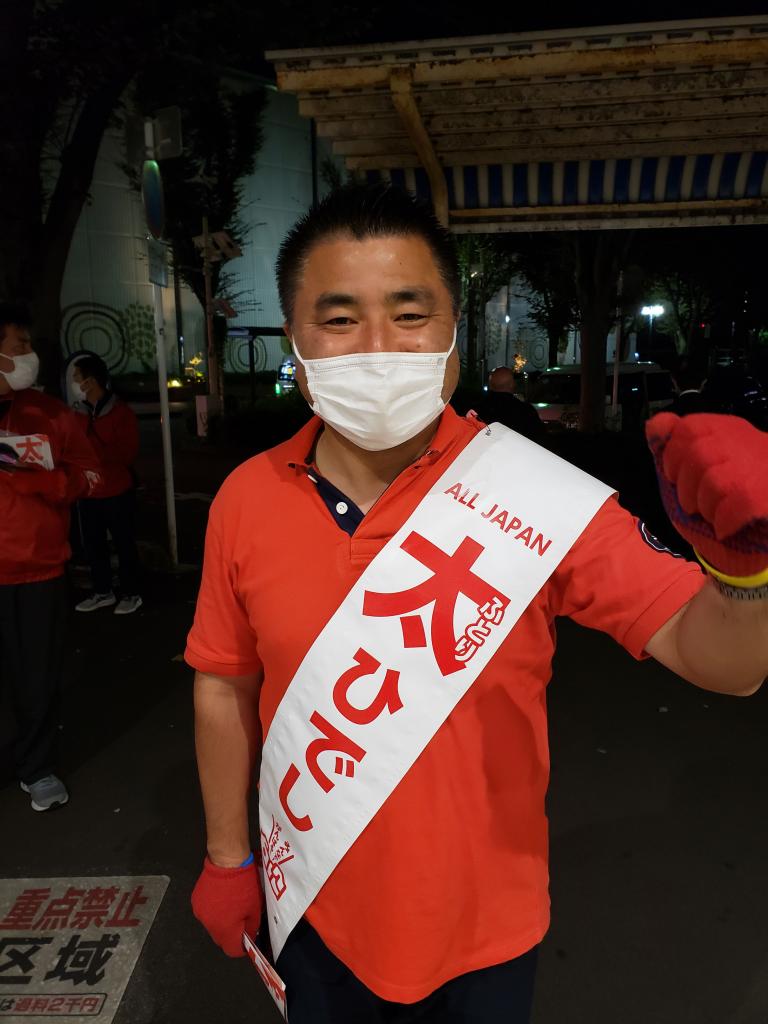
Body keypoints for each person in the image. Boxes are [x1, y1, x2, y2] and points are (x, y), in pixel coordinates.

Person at [185, 184, 767, 1024]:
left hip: (486, 935)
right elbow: (222, 681)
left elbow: (727, 665)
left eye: (410, 314)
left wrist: (744, 575)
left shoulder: (531, 498)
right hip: (311, 911)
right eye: (340, 319)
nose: (378, 348)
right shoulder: (246, 496)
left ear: (454, 337)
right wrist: (225, 857)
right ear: (296, 342)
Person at [0, 303, 101, 811]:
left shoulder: (52, 414)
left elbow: (94, 476)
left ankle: (36, 767)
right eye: (18, 346)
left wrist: (48, 481)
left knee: (36, 676)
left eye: (26, 345)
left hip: (36, 571)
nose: (28, 356)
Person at [71, 354, 142, 615]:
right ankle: (103, 591)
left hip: (116, 490)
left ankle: (131, 593)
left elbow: (127, 452)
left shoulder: (120, 412)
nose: (74, 382)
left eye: (76, 377)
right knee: (94, 544)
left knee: (124, 543)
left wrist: (91, 455)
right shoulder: (78, 413)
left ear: (90, 381)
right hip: (88, 491)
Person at [477, 364, 546, 442]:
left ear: (490, 385)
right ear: (512, 384)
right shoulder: (524, 410)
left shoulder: (478, 408)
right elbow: (538, 438)